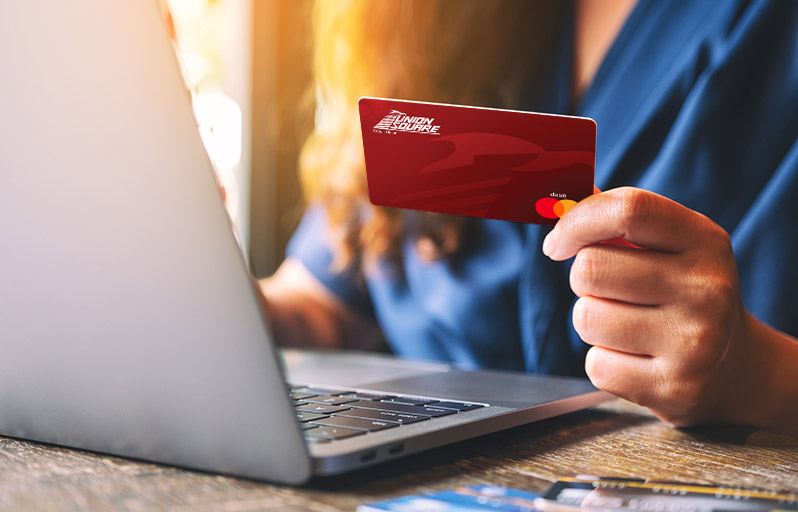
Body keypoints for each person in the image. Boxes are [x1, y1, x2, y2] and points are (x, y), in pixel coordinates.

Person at [260, 0, 798, 435]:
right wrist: (203, 289)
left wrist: (753, 374)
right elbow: (318, 304)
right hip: (419, 482)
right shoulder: (420, 24)